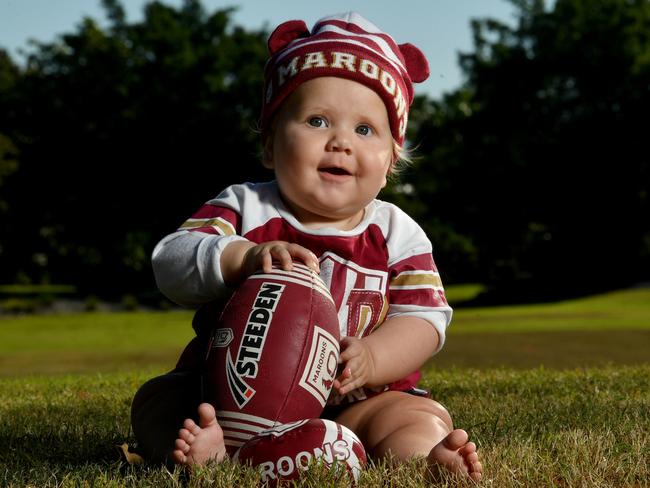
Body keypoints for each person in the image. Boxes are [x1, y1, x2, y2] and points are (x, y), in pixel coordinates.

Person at [132, 11, 482, 482]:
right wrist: (240, 256)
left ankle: (422, 459)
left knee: (417, 417)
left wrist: (376, 358)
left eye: (365, 130)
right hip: (228, 398)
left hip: (356, 401)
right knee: (159, 402)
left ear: (390, 162)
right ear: (271, 143)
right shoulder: (246, 207)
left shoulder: (397, 231)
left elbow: (425, 318)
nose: (340, 141)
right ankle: (215, 449)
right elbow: (172, 260)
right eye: (317, 120)